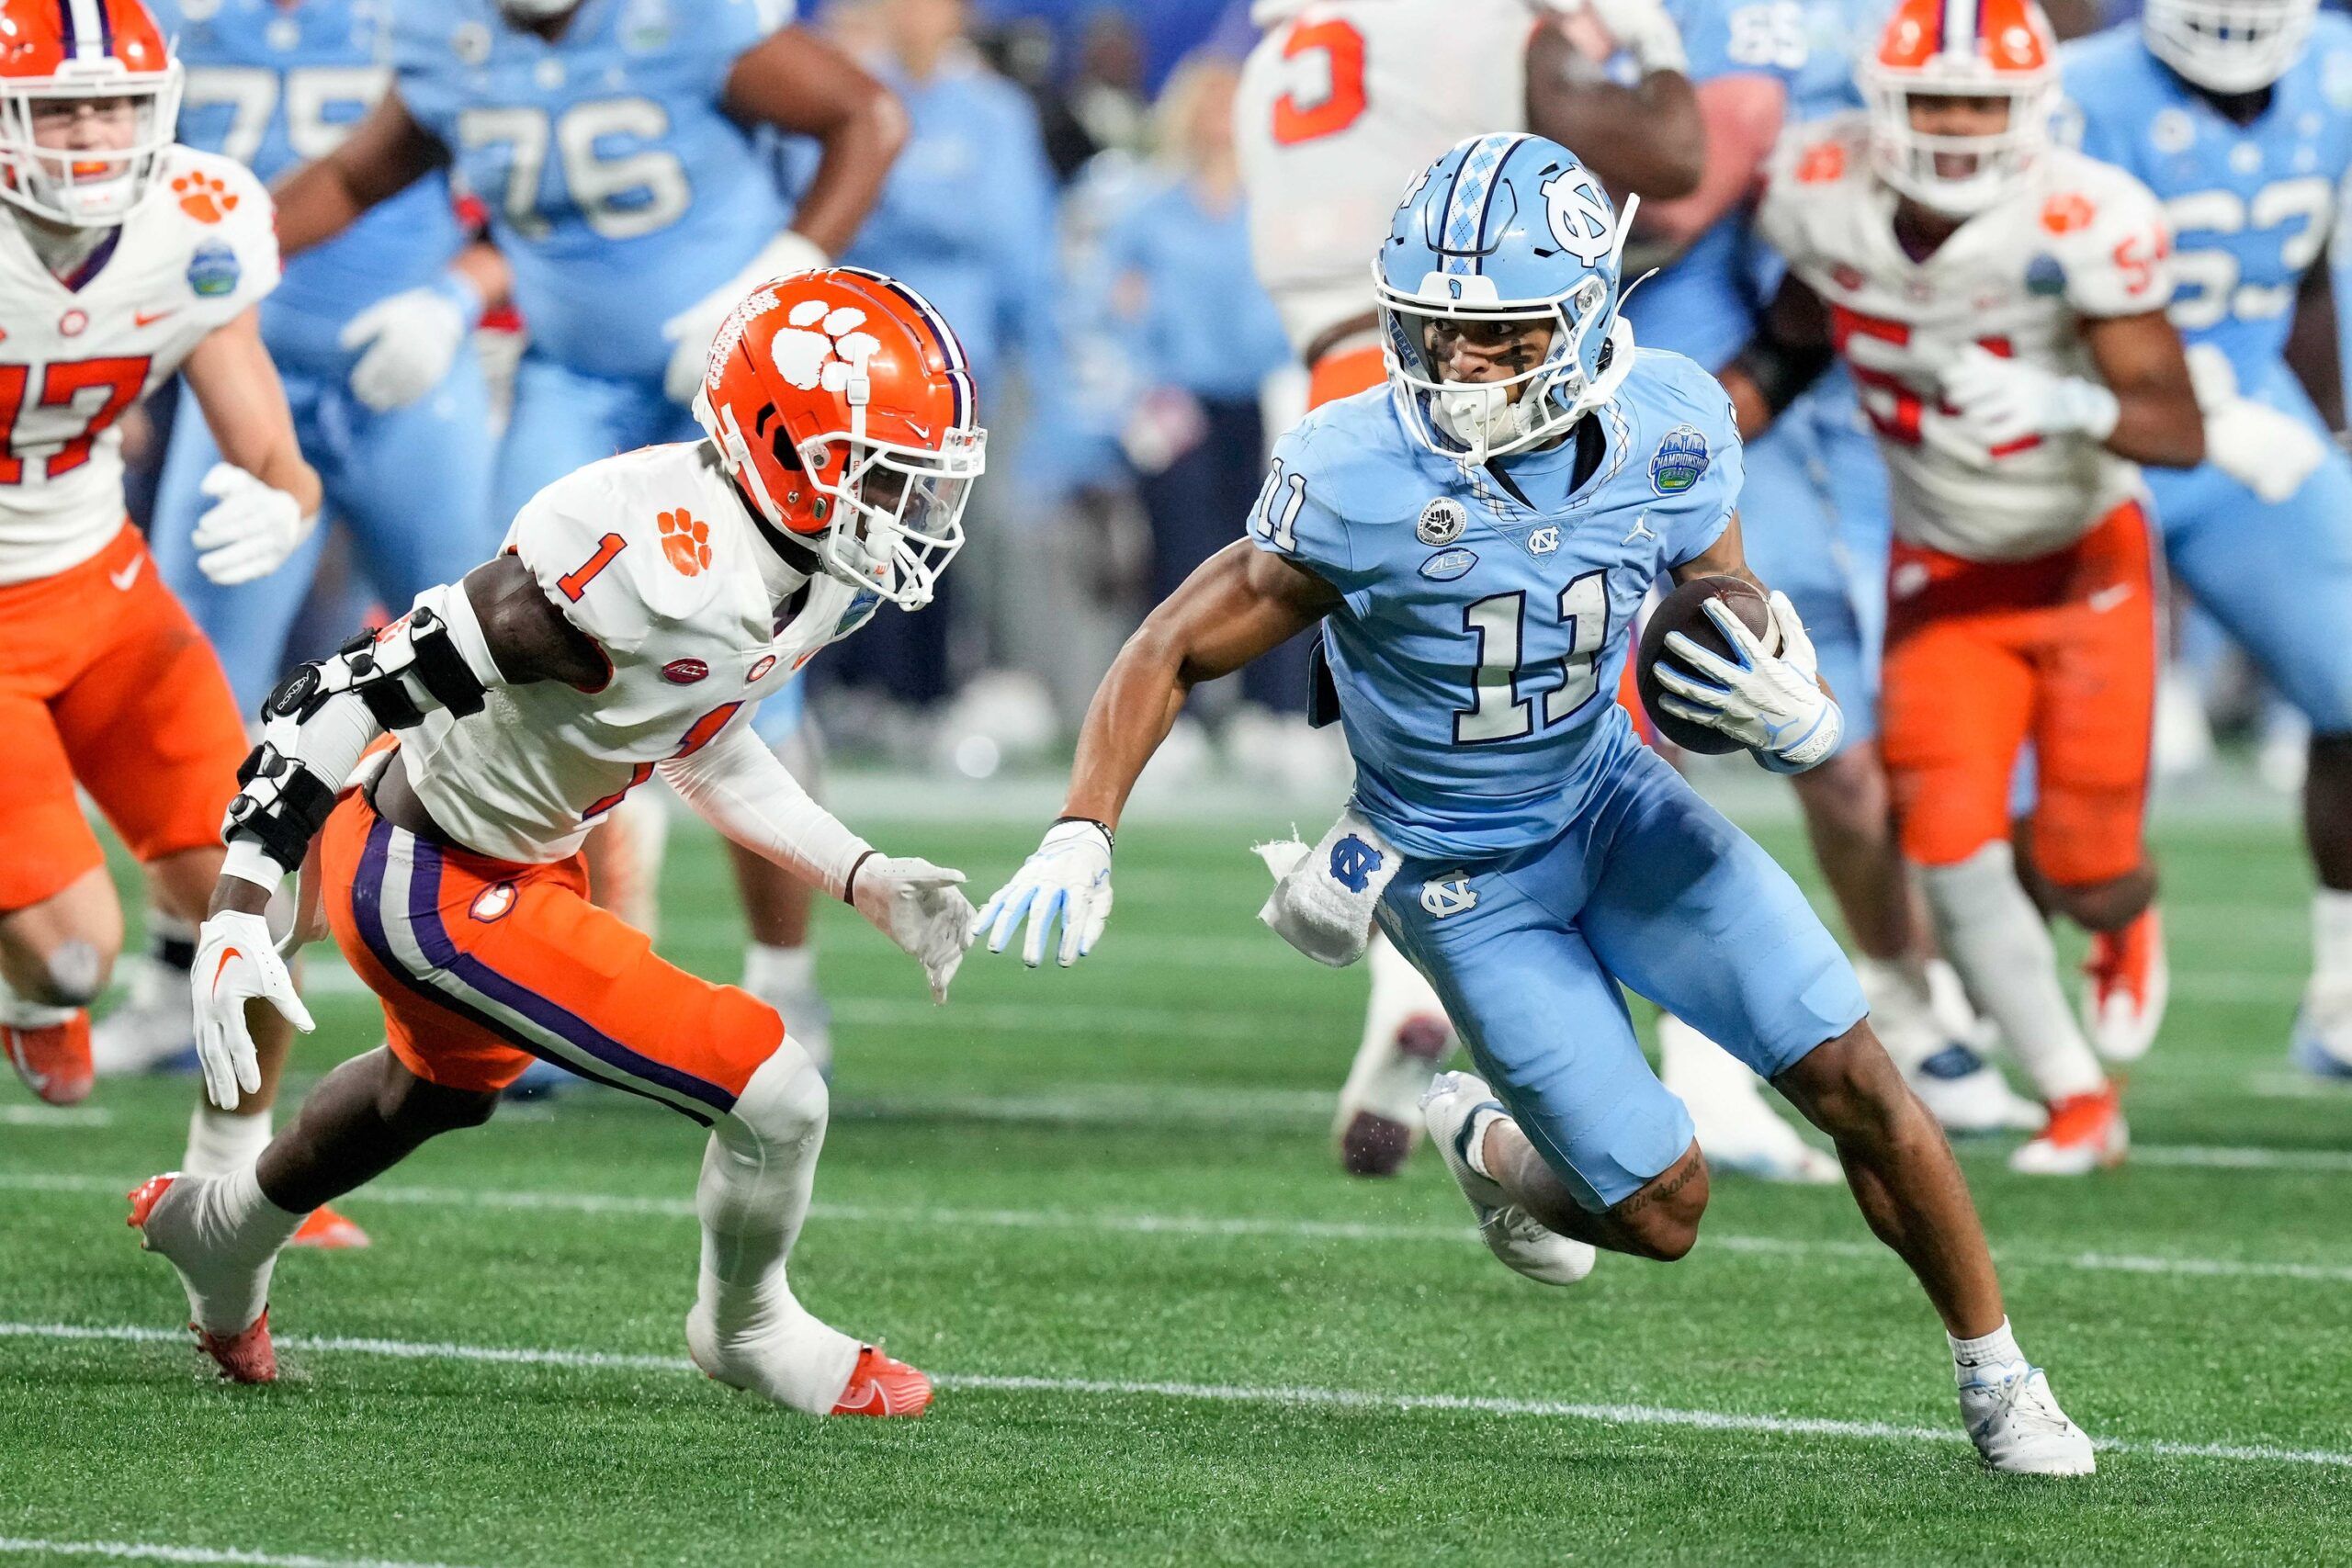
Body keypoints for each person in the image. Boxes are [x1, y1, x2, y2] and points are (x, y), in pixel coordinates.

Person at [974, 132, 2095, 1475]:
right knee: (1664, 1208)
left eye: (1495, 337)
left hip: (1613, 804)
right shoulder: (1355, 467)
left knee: (1854, 1072)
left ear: (1576, 319)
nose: (1458, 368)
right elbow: (1172, 641)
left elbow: (1716, 612)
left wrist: (1785, 697)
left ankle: (2000, 1375)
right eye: (1436, 335)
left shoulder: (1673, 422)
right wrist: (1082, 823)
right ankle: (1483, 1133)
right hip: (1460, 874)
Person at [131, 267, 982, 1415]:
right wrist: (239, 906)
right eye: (881, 472)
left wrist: (860, 875)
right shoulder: (634, 564)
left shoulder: (808, 565)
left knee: (431, 1096)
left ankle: (222, 1233)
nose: (907, 507)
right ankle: (747, 1326)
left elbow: (702, 741)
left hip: (523, 856)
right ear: (784, 447)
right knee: (776, 1091)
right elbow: (339, 693)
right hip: (427, 881)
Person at [266, 0, 908, 1077]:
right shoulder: (448, 39)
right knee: (547, 669)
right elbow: (347, 180)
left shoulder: (683, 21)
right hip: (570, 384)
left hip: (735, 399)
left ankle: (784, 973)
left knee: (758, 685)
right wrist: (215, 251)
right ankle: (566, 972)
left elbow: (868, 116)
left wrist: (778, 274)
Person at [1232, 0, 1707, 1179]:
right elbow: (1671, 162)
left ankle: (1403, 970)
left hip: (1338, 396)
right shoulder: (1475, 28)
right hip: (1478, 376)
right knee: (1592, 717)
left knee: (1435, 735)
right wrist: (1650, 45)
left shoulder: (1271, 60)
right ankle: (1684, 1068)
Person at [1731, 0, 2206, 1172]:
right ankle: (2077, 1099)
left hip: (2085, 563)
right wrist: (1691, 430)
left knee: (2085, 868)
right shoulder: (1819, 185)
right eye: (1932, 98)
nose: (1953, 125)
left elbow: (2179, 427)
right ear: (1878, 105)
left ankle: (2118, 914)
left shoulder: (2087, 216)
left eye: (1980, 102)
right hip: (1939, 565)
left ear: (2032, 109)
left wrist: (2077, 403)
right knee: (1946, 844)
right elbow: (1790, 345)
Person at [91, 4, 506, 1223]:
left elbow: (545, 209)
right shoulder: (153, 24)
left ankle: (490, 975)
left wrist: (457, 300)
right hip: (236, 371)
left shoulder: (440, 25)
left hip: (401, 377)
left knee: (487, 676)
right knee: (195, 692)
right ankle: (182, 980)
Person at [0, 0, 323, 1129]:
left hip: (100, 585)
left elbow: (271, 445)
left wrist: (285, 504)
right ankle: (32, 992)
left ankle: (234, 1180)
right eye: (59, 111)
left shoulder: (197, 214)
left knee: (269, 897)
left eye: (114, 106)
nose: (91, 136)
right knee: (73, 961)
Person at [2063, 0, 2352, 1079]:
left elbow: (2318, 268)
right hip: (2087, 429)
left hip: (2252, 424)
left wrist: (2320, 423)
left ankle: (2341, 994)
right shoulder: (2079, 92)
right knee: (2018, 749)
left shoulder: (2335, 70)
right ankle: (1947, 1001)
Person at [1097, 56, 1297, 714]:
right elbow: (1106, 305)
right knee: (1179, 557)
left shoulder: (1274, 205)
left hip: (1259, 397)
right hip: (1176, 403)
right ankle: (1168, 707)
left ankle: (1270, 709)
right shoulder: (1150, 208)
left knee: (1274, 558)